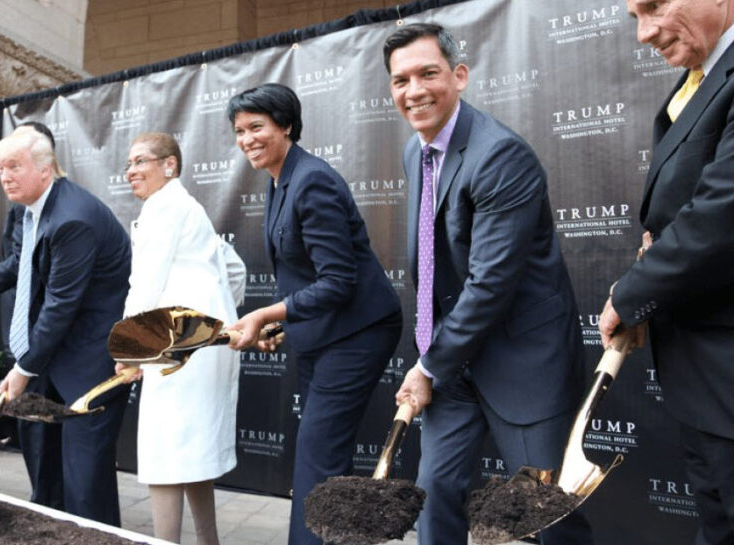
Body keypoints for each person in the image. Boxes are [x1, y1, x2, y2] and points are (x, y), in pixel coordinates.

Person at [385, 23, 592, 545]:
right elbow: (436, 265)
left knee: (546, 516)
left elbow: (492, 282)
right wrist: (436, 358)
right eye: (400, 79)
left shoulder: (500, 155)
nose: (414, 91)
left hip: (524, 362)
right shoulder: (417, 152)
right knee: (436, 495)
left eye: (427, 73)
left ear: (459, 75)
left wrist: (429, 363)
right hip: (453, 362)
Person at [225, 83, 403, 545]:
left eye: (256, 127)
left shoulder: (312, 179)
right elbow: (306, 278)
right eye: (239, 130)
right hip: (323, 331)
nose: (246, 139)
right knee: (324, 456)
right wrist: (282, 322)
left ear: (285, 125)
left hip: (359, 331)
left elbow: (339, 280)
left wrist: (266, 313)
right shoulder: (279, 179)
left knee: (317, 455)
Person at [0, 125, 132, 526]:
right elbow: (21, 263)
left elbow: (61, 305)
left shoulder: (73, 219)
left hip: (89, 361)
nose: (5, 177)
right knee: (44, 468)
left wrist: (23, 367)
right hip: (49, 355)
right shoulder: (26, 209)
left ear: (46, 169)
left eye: (14, 166)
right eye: (0, 170)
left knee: (85, 480)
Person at [600, 2, 734, 543]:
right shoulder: (702, 78)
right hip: (703, 381)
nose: (643, 33)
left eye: (654, 6)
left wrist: (632, 295)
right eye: (634, 13)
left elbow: (720, 214)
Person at [117, 132, 242, 545]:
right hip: (202, 343)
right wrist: (216, 315)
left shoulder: (164, 206)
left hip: (178, 348)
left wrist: (129, 349)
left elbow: (145, 285)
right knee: (191, 454)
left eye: (140, 161)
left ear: (169, 165)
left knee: (165, 457)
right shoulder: (189, 207)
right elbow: (235, 271)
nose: (131, 171)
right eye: (128, 164)